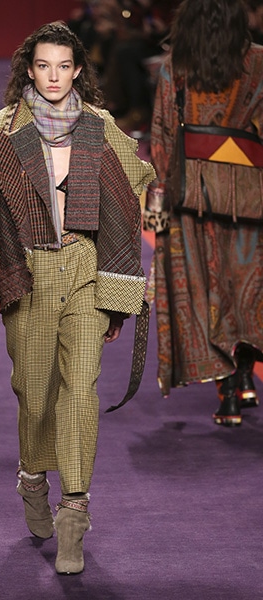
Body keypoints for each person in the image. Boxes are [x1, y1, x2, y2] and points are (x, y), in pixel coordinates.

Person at [0, 22, 155, 574]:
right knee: (35, 394)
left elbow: (126, 204)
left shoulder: (99, 127)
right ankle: (32, 477)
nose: (53, 77)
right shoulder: (4, 130)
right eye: (44, 66)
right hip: (30, 274)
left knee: (81, 389)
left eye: (64, 66)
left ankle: (75, 514)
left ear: (78, 71)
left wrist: (118, 292)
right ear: (29, 68)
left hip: (86, 267)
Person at [147, 0, 263, 426]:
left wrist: (158, 205)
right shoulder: (258, 62)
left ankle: (228, 391)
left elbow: (162, 136)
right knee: (246, 285)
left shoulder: (176, 66)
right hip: (248, 195)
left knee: (207, 290)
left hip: (193, 196)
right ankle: (246, 376)